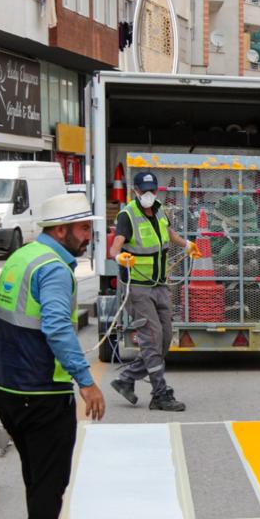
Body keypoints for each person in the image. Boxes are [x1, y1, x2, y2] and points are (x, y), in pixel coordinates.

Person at [0, 193, 107, 519]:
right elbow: (56, 327)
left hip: (9, 388)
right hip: (39, 391)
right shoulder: (54, 269)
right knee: (49, 480)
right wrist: (86, 381)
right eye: (83, 228)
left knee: (38, 476)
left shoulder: (23, 256)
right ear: (61, 230)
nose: (89, 235)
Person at [107, 170, 199, 412]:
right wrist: (120, 257)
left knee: (165, 337)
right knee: (152, 338)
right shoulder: (127, 215)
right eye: (143, 190)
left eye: (152, 190)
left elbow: (167, 232)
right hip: (137, 287)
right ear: (135, 191)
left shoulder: (159, 209)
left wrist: (187, 244)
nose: (148, 194)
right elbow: (114, 247)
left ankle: (126, 379)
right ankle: (160, 394)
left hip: (159, 285)